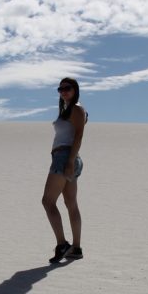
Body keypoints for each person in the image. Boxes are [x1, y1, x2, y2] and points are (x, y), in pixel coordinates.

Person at [42, 77, 86, 262]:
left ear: (75, 90)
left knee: (48, 201)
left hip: (64, 158)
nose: (63, 91)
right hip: (67, 158)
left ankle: (62, 245)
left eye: (67, 88)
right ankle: (76, 248)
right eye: (60, 89)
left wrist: (68, 161)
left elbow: (78, 136)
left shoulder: (76, 109)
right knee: (70, 203)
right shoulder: (67, 110)